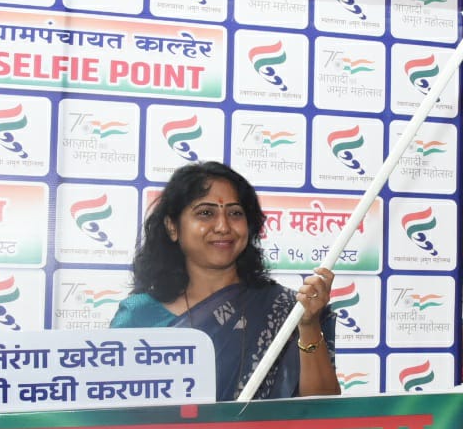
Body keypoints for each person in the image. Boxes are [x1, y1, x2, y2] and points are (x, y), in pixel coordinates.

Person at [111, 161, 340, 401]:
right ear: (172, 227)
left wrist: (308, 325)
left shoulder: (285, 309)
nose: (223, 226)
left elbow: (322, 408)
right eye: (206, 213)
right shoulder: (140, 316)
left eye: (235, 213)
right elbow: (112, 413)